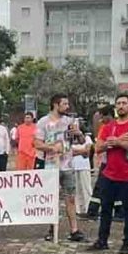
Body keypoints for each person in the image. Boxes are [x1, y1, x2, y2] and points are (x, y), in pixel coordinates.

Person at [88, 94, 128, 254]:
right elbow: (98, 147)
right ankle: (102, 240)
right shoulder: (108, 127)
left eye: (124, 103)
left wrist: (120, 142)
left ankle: (127, 242)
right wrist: (111, 142)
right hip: (109, 175)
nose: (121, 106)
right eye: (118, 103)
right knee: (105, 208)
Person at [34, 94, 86, 243]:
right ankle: (52, 228)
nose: (67, 107)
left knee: (70, 198)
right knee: (52, 199)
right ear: (56, 105)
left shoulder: (70, 121)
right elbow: (37, 143)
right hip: (51, 166)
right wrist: (52, 148)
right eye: (64, 104)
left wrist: (78, 134)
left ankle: (74, 230)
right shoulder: (43, 122)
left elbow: (81, 141)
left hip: (68, 166)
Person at [72, 131, 94, 216]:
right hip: (73, 166)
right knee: (76, 189)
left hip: (84, 166)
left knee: (86, 187)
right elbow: (68, 152)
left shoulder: (87, 138)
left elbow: (87, 152)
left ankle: (89, 207)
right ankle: (78, 209)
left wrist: (76, 151)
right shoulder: (70, 139)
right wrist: (81, 151)